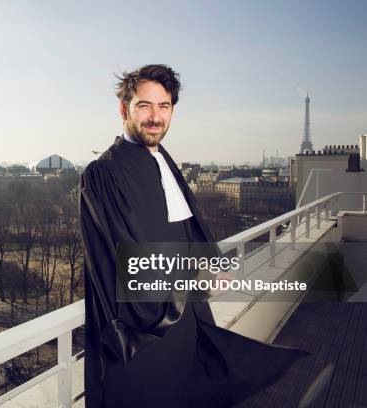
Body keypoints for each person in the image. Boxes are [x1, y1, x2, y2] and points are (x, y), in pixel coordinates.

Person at [78, 64, 308, 407]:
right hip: (141, 338)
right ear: (124, 109)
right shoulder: (102, 175)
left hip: (182, 323)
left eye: (164, 106)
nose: (155, 117)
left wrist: (209, 267)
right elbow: (123, 263)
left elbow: (185, 232)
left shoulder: (163, 160)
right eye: (144, 106)